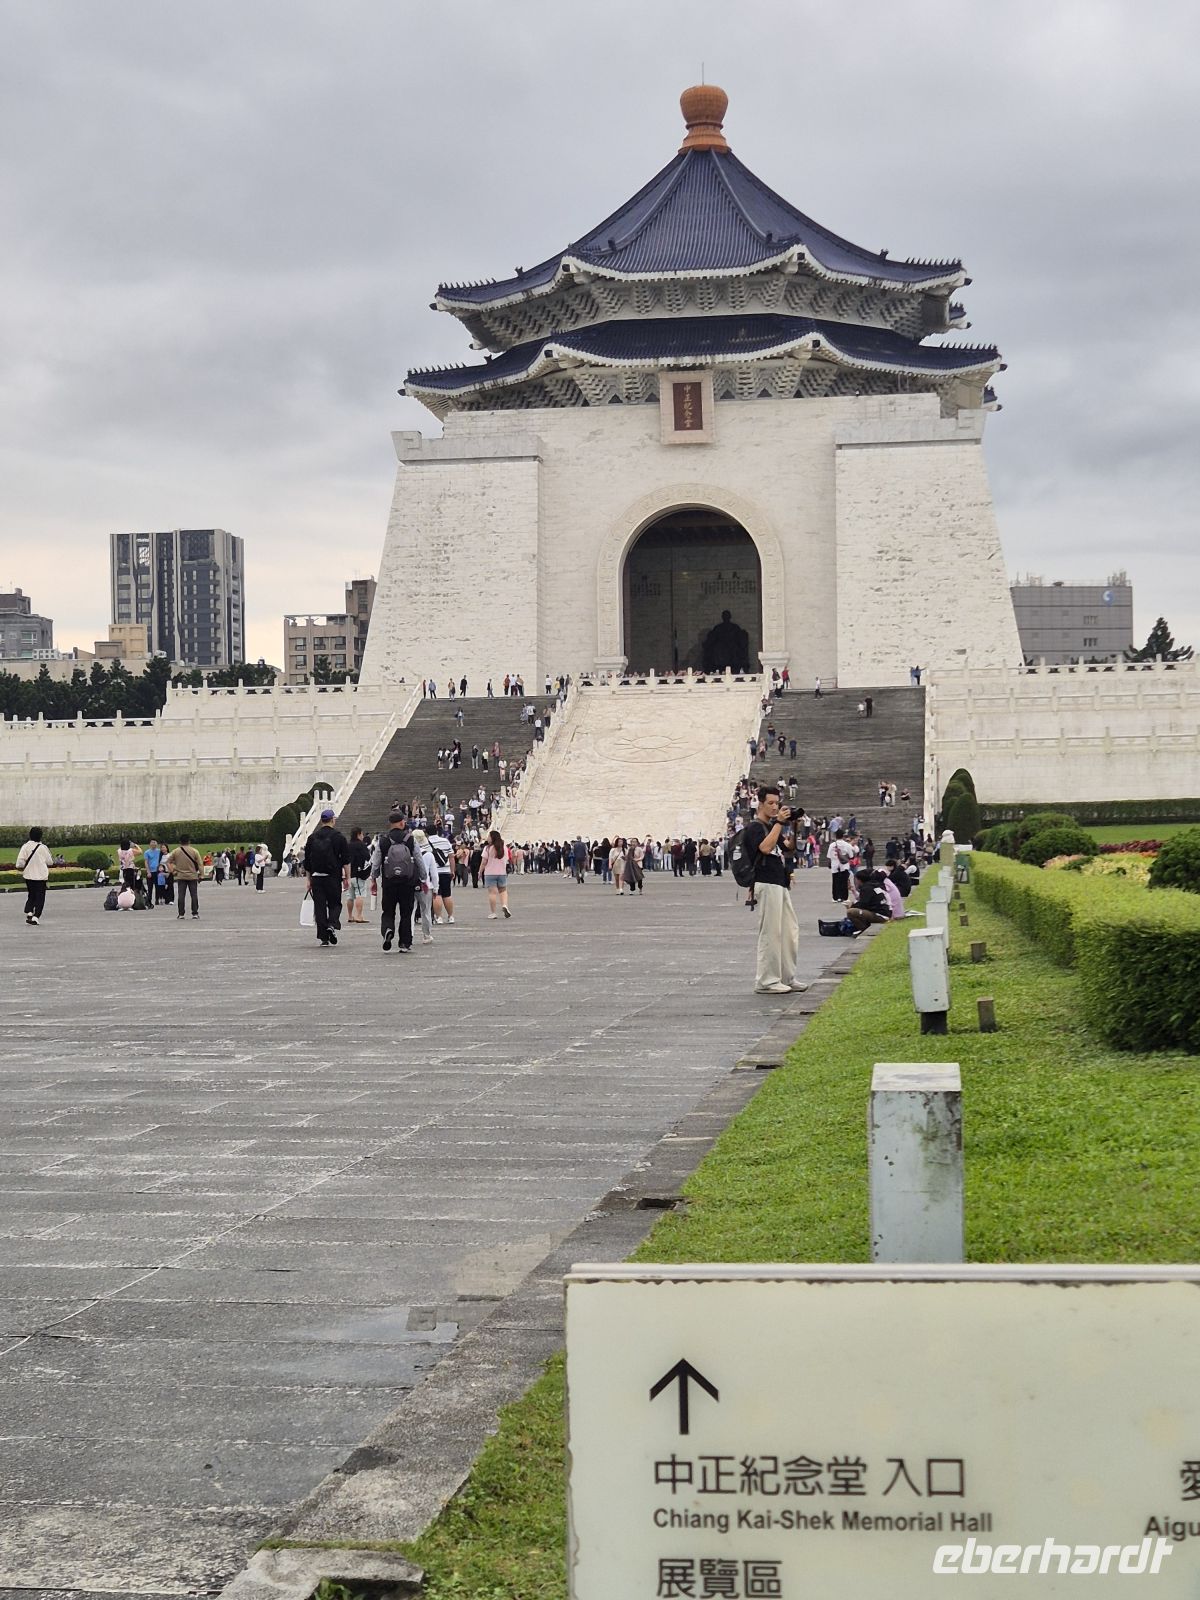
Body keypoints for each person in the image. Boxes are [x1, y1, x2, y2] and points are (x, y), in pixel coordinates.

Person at [743, 785, 801, 995]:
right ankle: (766, 980)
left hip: (779, 882)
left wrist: (793, 826)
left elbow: (789, 847)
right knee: (771, 933)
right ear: (760, 803)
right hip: (765, 882)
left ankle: (786, 976)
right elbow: (765, 848)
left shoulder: (771, 827)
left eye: (777, 803)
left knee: (788, 932)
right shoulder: (756, 827)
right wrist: (778, 823)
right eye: (770, 803)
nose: (775, 807)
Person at [371, 811, 422, 952]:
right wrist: (423, 877)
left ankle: (388, 930)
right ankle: (405, 943)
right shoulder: (410, 839)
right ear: (401, 823)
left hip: (389, 882)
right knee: (406, 912)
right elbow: (419, 859)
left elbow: (375, 863)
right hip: (408, 882)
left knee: (388, 911)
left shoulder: (383, 840)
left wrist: (374, 878)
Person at [303, 808, 350, 947]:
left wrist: (308, 879)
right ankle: (332, 923)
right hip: (333, 877)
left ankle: (323, 936)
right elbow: (346, 860)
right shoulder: (339, 837)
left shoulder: (312, 837)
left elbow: (307, 862)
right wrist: (347, 877)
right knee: (335, 903)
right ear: (332, 820)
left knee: (320, 907)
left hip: (317, 877)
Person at [16, 826, 53, 926]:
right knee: (40, 897)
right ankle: (36, 916)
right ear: (41, 836)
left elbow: (20, 863)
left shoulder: (25, 847)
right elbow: (50, 862)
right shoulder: (43, 848)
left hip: (29, 875)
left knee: (31, 894)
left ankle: (29, 911)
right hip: (41, 876)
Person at [409, 828, 438, 943]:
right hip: (425, 885)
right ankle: (427, 935)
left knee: (410, 911)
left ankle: (409, 934)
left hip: (411, 884)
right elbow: (434, 874)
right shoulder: (429, 854)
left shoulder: (408, 853)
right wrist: (435, 888)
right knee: (425, 911)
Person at [165, 835, 203, 920]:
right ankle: (195, 913)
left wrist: (173, 870)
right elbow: (200, 864)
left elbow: (168, 861)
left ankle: (181, 914)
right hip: (192, 876)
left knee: (181, 895)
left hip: (181, 876)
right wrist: (201, 874)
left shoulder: (176, 851)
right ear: (189, 841)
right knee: (194, 895)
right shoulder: (194, 851)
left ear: (180, 842)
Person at [847, 868, 892, 932]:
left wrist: (852, 905)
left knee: (851, 912)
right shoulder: (873, 885)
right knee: (857, 910)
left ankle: (863, 929)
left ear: (860, 880)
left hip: (880, 915)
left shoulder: (866, 888)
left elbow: (862, 904)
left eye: (856, 880)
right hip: (885, 913)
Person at [481, 829, 512, 918]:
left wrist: (480, 871)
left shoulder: (488, 848)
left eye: (489, 836)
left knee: (492, 893)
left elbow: (483, 862)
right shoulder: (504, 847)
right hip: (502, 872)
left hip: (490, 873)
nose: (487, 838)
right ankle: (504, 905)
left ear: (492, 838)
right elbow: (506, 859)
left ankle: (493, 912)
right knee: (503, 891)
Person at [346, 827, 371, 923]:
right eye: (362, 834)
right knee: (359, 894)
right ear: (358, 834)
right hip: (358, 873)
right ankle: (359, 915)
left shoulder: (348, 845)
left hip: (349, 874)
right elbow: (367, 857)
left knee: (350, 896)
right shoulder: (361, 845)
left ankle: (350, 916)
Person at [828, 829, 856, 904]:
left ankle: (835, 897)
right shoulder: (847, 845)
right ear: (843, 836)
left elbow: (829, 856)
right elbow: (851, 856)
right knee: (844, 882)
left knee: (835, 882)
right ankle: (844, 897)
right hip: (844, 865)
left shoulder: (832, 845)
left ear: (835, 836)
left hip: (834, 866)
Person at [142, 839, 163, 908]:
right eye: (152, 842)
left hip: (157, 871)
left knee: (158, 887)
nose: (154, 844)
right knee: (150, 887)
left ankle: (157, 899)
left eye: (155, 842)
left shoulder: (159, 851)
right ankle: (149, 900)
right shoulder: (147, 852)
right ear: (150, 844)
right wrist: (148, 872)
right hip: (150, 871)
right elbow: (146, 862)